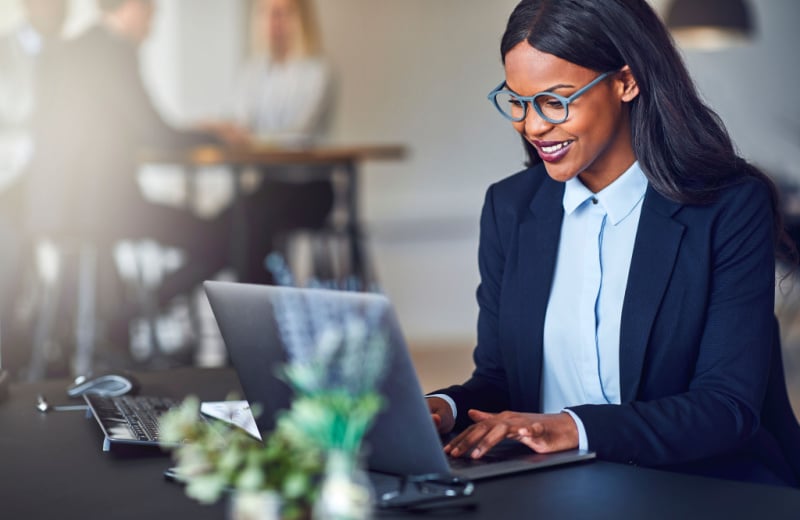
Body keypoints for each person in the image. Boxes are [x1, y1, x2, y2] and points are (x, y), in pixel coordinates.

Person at [426, 0, 800, 487]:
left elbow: (726, 408)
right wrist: (443, 409)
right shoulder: (511, 208)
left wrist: (572, 428)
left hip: (699, 486)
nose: (533, 126)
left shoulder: (727, 207)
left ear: (626, 81)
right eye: (518, 102)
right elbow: (501, 380)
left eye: (556, 100)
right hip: (556, 488)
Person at [25, 0, 231, 309]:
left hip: (53, 209)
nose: (154, 22)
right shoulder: (115, 53)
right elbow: (158, 135)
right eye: (152, 11)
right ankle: (145, 305)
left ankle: (124, 316)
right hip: (107, 210)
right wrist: (217, 135)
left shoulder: (67, 51)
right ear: (133, 6)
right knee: (224, 237)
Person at [208, 0, 335, 284]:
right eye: (266, 14)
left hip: (308, 189)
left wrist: (247, 137)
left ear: (300, 19)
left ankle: (260, 311)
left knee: (245, 225)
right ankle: (155, 298)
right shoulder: (253, 71)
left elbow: (300, 131)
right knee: (219, 227)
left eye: (282, 14)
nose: (273, 23)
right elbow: (238, 121)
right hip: (268, 186)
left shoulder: (317, 71)